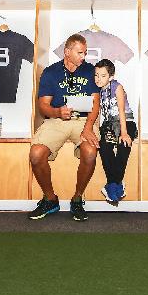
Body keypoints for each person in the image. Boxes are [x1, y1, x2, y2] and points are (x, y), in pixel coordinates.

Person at [28, 34, 100, 221]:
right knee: (36, 154)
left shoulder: (90, 70)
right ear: (67, 52)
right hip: (57, 120)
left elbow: (95, 103)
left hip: (84, 120)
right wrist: (57, 112)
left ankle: (77, 198)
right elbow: (43, 106)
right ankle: (50, 199)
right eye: (80, 53)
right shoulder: (51, 72)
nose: (83, 57)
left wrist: (88, 127)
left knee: (90, 152)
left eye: (85, 53)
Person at [94, 59, 137, 204]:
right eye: (96, 75)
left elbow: (121, 111)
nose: (98, 79)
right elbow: (98, 113)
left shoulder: (117, 87)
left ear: (111, 76)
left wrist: (124, 133)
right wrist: (96, 131)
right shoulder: (98, 91)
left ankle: (112, 184)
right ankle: (117, 185)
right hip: (109, 125)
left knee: (124, 145)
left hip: (126, 122)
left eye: (103, 76)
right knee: (104, 147)